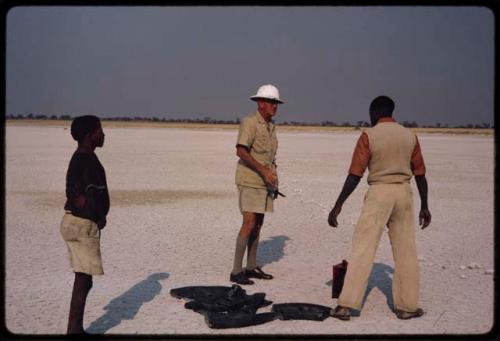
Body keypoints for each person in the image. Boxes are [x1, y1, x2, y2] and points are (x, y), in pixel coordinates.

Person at [328, 96, 431, 321]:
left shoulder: (369, 136)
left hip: (379, 193)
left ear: (374, 112)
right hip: (404, 194)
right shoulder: (410, 136)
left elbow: (355, 174)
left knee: (363, 248)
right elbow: (420, 173)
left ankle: (346, 306)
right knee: (406, 252)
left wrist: (338, 204)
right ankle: (407, 307)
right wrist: (425, 205)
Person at [230, 84, 284, 285]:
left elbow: (270, 158)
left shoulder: (271, 126)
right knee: (249, 222)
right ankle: (236, 271)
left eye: (276, 103)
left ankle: (251, 267)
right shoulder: (250, 122)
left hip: (265, 183)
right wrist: (262, 171)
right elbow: (241, 151)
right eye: (271, 102)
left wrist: (273, 179)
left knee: (258, 224)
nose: (274, 106)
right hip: (250, 180)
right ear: (260, 103)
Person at [60, 115, 110, 334]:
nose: (103, 134)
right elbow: (74, 193)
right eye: (99, 130)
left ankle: (75, 328)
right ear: (90, 135)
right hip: (82, 226)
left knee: (84, 278)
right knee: (83, 279)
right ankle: (74, 330)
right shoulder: (82, 158)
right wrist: (94, 215)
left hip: (81, 223)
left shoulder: (87, 156)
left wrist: (98, 215)